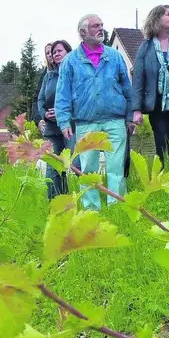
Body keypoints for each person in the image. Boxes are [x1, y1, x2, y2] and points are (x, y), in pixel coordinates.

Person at [56, 14, 137, 209]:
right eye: (95, 26)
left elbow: (128, 89)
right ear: (83, 32)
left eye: (102, 25)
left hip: (115, 121)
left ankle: (116, 207)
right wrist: (64, 121)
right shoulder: (70, 61)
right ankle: (92, 209)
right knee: (88, 169)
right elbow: (63, 93)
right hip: (86, 122)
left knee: (115, 167)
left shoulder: (115, 57)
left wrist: (130, 116)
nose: (101, 29)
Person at [131, 4, 169, 171]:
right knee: (163, 147)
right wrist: (136, 110)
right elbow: (138, 79)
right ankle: (164, 183)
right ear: (156, 20)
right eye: (167, 14)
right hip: (157, 105)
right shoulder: (146, 47)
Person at [32, 39, 73, 198]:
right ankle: (54, 201)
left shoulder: (75, 72)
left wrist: (63, 112)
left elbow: (79, 96)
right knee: (52, 166)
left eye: (59, 51)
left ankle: (73, 199)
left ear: (69, 52)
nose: (55, 54)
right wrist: (44, 114)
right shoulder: (48, 77)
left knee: (74, 164)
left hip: (70, 126)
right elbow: (40, 99)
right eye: (53, 52)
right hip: (51, 128)